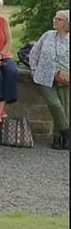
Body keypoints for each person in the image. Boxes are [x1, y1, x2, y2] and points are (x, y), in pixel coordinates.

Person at [29, 9, 69, 149]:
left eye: (59, 19)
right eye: (55, 18)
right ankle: (67, 132)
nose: (55, 20)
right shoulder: (48, 35)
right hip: (44, 76)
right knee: (55, 105)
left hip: (65, 79)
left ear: (67, 23)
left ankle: (58, 139)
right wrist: (33, 68)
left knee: (64, 107)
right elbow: (34, 52)